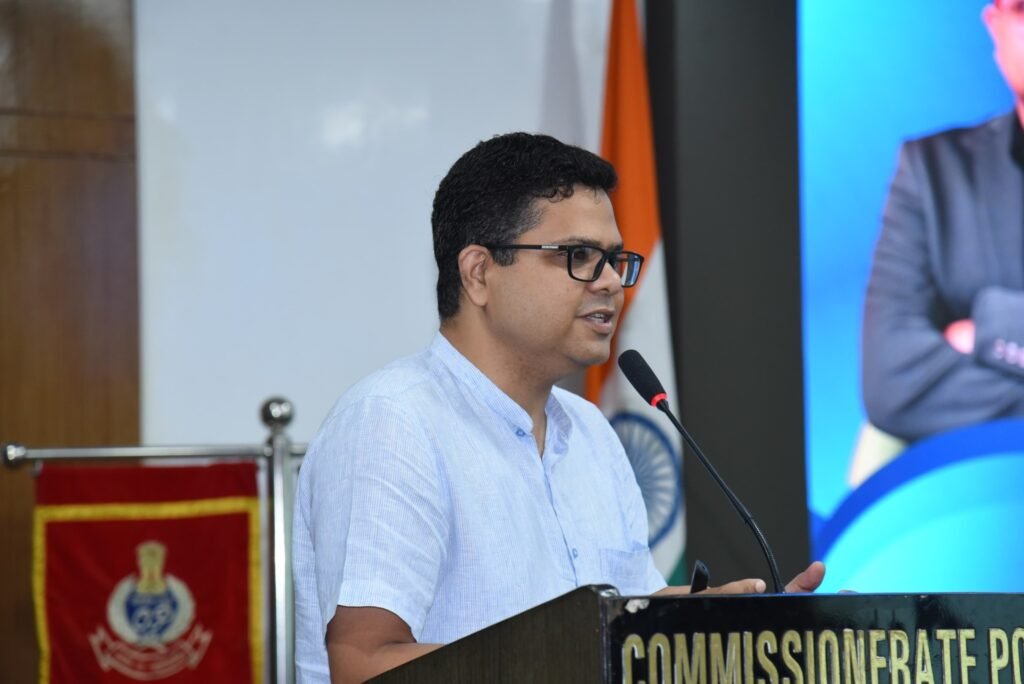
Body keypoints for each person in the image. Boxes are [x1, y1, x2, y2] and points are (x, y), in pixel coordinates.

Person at [292, 132, 825, 683]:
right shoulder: (395, 422)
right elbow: (362, 664)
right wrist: (571, 656)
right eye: (579, 257)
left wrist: (715, 628)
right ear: (479, 273)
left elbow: (623, 624)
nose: (613, 282)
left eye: (616, 259)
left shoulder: (592, 430)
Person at [859, 0, 1024, 463]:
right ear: (994, 25)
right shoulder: (932, 173)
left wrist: (993, 326)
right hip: (974, 497)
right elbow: (891, 382)